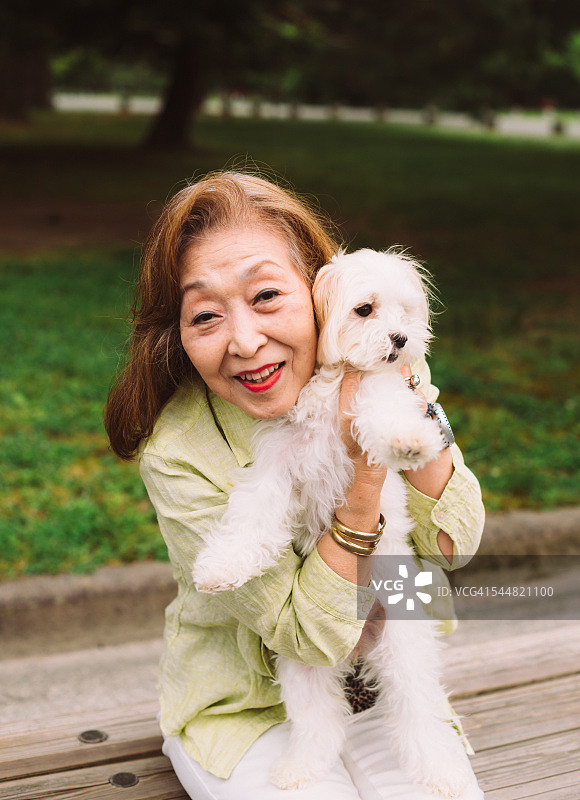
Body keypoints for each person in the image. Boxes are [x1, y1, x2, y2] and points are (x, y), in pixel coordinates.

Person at [104, 171, 485, 799]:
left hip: (388, 644)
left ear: (315, 290)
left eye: (266, 297)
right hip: (247, 707)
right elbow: (304, 636)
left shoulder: (389, 364)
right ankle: (317, 749)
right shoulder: (177, 450)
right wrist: (366, 482)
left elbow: (457, 546)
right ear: (175, 329)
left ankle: (427, 745)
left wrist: (421, 417)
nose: (247, 340)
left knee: (424, 731)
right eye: (206, 314)